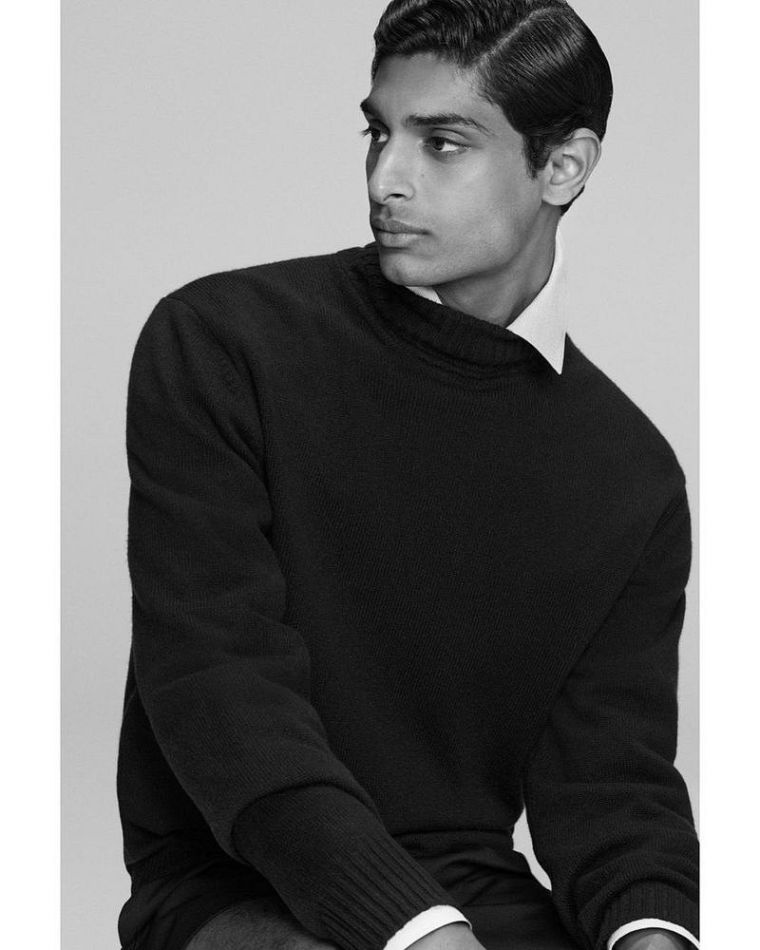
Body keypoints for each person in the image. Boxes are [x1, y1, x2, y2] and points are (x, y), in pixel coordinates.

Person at [116, 2, 699, 949]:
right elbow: (221, 690)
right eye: (378, 133)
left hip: (476, 895)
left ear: (562, 167)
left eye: (443, 144)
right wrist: (415, 929)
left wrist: (652, 933)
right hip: (241, 884)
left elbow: (610, 784)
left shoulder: (630, 473)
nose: (387, 178)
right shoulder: (226, 342)